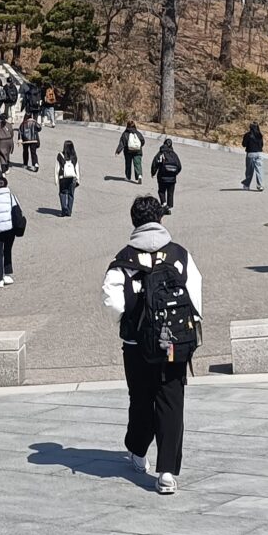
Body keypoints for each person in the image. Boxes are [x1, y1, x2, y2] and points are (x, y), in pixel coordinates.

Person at [103, 195, 203, 496]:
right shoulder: (179, 255)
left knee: (141, 398)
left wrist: (132, 320)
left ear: (134, 220)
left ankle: (137, 451)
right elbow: (195, 295)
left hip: (136, 343)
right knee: (172, 402)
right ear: (160, 219)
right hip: (174, 343)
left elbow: (112, 302)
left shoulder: (124, 259)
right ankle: (167, 473)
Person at [151, 138, 184, 214]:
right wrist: (174, 173)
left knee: (161, 191)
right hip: (172, 178)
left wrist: (153, 173)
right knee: (170, 192)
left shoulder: (160, 153)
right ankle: (169, 206)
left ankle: (164, 204)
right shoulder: (174, 155)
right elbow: (179, 166)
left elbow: (155, 163)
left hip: (162, 177)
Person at [56, 140, 80, 216]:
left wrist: (56, 180)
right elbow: (77, 168)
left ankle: (64, 210)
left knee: (62, 193)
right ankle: (69, 211)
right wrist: (78, 179)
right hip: (72, 178)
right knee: (71, 194)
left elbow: (57, 168)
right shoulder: (74, 156)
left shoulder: (60, 155)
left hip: (63, 178)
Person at [241, 121, 265, 191]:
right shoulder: (260, 135)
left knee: (249, 171)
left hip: (251, 153)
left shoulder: (247, 135)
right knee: (259, 170)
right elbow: (262, 145)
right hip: (259, 153)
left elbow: (244, 144)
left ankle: (246, 185)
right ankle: (260, 185)